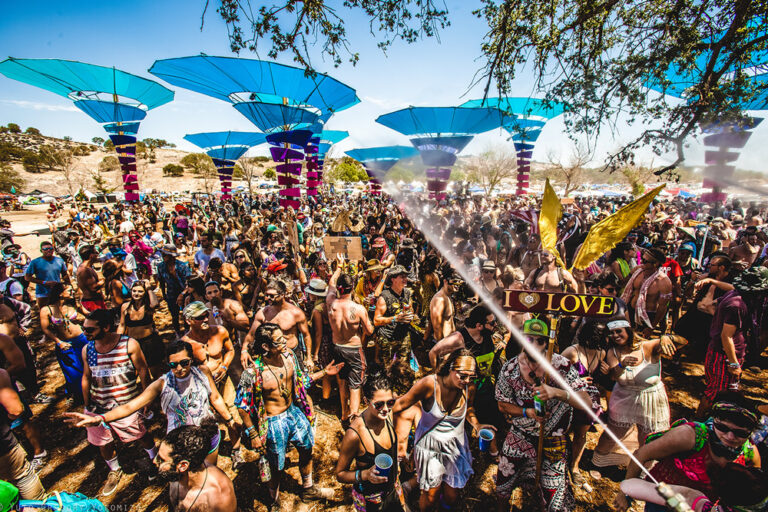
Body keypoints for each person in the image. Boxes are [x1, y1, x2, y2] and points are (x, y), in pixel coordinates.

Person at [65, 340, 238, 466]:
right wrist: (99, 419)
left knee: (209, 472)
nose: (179, 368)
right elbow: (130, 406)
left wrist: (229, 420)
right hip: (180, 442)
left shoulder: (202, 372)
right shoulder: (162, 384)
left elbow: (215, 398)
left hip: (208, 434)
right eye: (173, 365)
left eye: (184, 363)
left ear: (191, 360)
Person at [235, 323, 342, 510]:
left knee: (307, 450)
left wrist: (324, 373)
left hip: (294, 413)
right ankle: (273, 499)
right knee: (276, 465)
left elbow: (300, 381)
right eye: (279, 341)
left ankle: (308, 488)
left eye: (283, 337)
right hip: (273, 422)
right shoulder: (252, 373)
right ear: (266, 346)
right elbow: (241, 406)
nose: (285, 342)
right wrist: (253, 434)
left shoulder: (290, 356)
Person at [495, 319, 590, 512]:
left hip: (553, 439)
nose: (534, 345)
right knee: (503, 485)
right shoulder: (510, 369)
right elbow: (502, 404)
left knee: (554, 499)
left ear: (547, 342)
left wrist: (557, 393)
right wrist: (526, 412)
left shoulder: (561, 366)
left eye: (540, 340)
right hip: (520, 435)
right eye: (529, 339)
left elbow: (586, 402)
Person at [615, 392, 762, 512]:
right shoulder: (689, 436)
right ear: (714, 420)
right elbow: (641, 455)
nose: (730, 437)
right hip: (663, 501)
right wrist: (624, 495)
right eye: (723, 428)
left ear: (750, 433)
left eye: (739, 433)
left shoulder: (749, 453)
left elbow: (752, 492)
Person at [80, 308, 157, 496]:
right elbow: (87, 376)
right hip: (98, 406)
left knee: (140, 434)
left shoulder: (129, 344)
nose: (85, 333)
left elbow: (143, 370)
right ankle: (114, 469)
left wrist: (146, 397)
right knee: (103, 441)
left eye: (90, 329)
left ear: (106, 327)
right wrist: (87, 404)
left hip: (127, 404)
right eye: (84, 329)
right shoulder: (88, 349)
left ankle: (155, 459)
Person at [392, 349, 476, 512]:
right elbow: (400, 405)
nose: (467, 381)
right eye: (462, 375)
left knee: (452, 497)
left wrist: (477, 424)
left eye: (471, 377)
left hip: (455, 447)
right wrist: (373, 417)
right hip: (430, 449)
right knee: (431, 497)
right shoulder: (430, 384)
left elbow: (470, 408)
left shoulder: (469, 387)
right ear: (450, 368)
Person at [592, 317, 676, 468]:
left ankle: (644, 467)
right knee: (614, 433)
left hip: (651, 397)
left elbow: (683, 342)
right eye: (611, 333)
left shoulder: (649, 345)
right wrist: (621, 365)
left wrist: (666, 337)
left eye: (619, 331)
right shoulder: (612, 351)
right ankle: (599, 461)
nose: (615, 335)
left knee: (648, 435)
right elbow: (614, 376)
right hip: (624, 396)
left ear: (628, 331)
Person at [698, 266, 768, 416]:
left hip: (731, 354)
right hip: (723, 357)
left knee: (728, 392)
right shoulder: (737, 305)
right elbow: (726, 336)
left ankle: (714, 418)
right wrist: (733, 363)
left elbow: (712, 306)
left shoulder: (736, 295)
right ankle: (698, 421)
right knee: (715, 393)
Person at [336, 370, 406, 512]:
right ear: (366, 401)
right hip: (370, 500)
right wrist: (366, 474)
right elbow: (340, 474)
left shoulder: (388, 414)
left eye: (390, 402)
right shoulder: (355, 434)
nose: (385, 409)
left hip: (393, 488)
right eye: (379, 404)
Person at [327, 254, 375, 428]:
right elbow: (369, 331)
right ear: (352, 287)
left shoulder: (330, 302)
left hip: (336, 347)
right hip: (353, 349)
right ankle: (353, 420)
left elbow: (331, 283)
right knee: (355, 384)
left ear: (339, 289)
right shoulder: (358, 309)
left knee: (342, 381)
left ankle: (344, 413)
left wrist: (339, 266)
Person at [154, 424, 238, 512]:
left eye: (161, 460)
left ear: (183, 466)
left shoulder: (219, 498)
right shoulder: (175, 473)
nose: (155, 461)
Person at [242, 279, 313, 371]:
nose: (268, 298)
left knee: (299, 378)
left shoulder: (296, 313)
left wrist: (309, 358)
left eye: (272, 296)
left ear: (282, 294)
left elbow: (306, 335)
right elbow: (251, 335)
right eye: (267, 295)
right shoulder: (263, 313)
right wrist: (244, 350)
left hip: (292, 353)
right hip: (271, 356)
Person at [0, 368, 45, 501]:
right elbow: (16, 410)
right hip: (4, 447)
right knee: (23, 478)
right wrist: (6, 422)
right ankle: (38, 507)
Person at [39, 283, 87, 405]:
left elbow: (88, 314)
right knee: (73, 372)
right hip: (65, 343)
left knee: (89, 367)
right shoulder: (47, 310)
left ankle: (91, 393)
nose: (72, 292)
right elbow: (45, 329)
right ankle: (78, 395)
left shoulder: (72, 304)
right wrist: (58, 342)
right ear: (60, 293)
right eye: (69, 290)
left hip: (82, 340)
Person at [620, 247, 673, 337]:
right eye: (642, 259)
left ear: (655, 264)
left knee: (640, 342)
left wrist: (651, 327)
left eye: (645, 261)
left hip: (647, 317)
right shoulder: (638, 271)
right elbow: (623, 284)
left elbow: (662, 307)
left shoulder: (664, 282)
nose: (641, 262)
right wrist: (630, 274)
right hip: (630, 310)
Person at [117, 280, 163, 379]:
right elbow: (122, 325)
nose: (136, 294)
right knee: (136, 371)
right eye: (134, 291)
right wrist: (118, 341)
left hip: (149, 343)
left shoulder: (149, 306)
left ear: (145, 293)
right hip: (133, 343)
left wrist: (149, 289)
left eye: (140, 291)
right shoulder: (125, 306)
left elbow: (155, 303)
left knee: (155, 371)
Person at [373, 265, 413, 370]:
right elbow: (376, 321)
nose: (405, 279)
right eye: (402, 277)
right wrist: (395, 318)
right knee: (387, 368)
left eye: (406, 276)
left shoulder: (407, 293)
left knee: (404, 368)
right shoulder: (385, 296)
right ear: (393, 279)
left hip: (404, 335)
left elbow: (410, 309)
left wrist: (411, 315)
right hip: (388, 337)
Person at [156, 244, 192, 335]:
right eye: (162, 254)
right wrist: (164, 294)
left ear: (171, 256)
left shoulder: (182, 266)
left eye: (165, 255)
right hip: (171, 293)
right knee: (174, 315)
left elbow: (189, 282)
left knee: (186, 313)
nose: (163, 256)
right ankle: (177, 333)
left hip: (184, 292)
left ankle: (187, 331)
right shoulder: (161, 266)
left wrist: (183, 294)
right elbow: (161, 281)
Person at [24, 241, 69, 307]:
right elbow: (27, 277)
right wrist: (44, 282)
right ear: (41, 251)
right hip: (42, 292)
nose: (48, 250)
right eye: (45, 249)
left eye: (50, 248)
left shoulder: (59, 260)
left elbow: (65, 274)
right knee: (44, 310)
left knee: (57, 310)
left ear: (53, 250)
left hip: (57, 291)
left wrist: (67, 284)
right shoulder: (35, 262)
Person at [428, 267, 461, 343]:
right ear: (445, 281)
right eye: (455, 281)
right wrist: (442, 345)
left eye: (459, 281)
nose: (457, 284)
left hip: (450, 341)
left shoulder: (449, 296)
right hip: (443, 343)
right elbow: (437, 327)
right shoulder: (439, 299)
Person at [76, 244, 105, 312]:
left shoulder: (87, 267)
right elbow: (93, 288)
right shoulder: (85, 270)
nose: (97, 255)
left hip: (95, 301)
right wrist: (104, 280)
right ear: (91, 255)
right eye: (95, 253)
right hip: (92, 303)